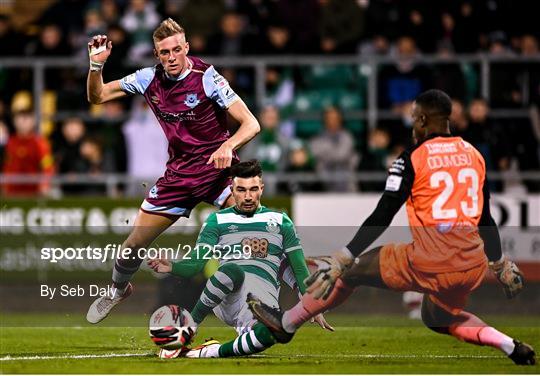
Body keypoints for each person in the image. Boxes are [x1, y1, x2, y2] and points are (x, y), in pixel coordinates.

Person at [248, 90, 536, 366]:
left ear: (423, 119)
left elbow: (384, 213)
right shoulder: (474, 155)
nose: (413, 125)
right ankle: (507, 344)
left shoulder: (413, 157)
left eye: (414, 118)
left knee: (351, 270)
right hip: (471, 266)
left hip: (430, 261)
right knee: (438, 317)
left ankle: (286, 324)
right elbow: (485, 218)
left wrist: (345, 255)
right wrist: (499, 264)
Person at [86, 18, 260, 324]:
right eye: (164, 52)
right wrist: (96, 67)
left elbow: (251, 124)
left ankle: (261, 306)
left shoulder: (208, 78)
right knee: (133, 245)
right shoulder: (147, 79)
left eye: (177, 49)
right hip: (178, 175)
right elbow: (97, 96)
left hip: (217, 171)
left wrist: (226, 147)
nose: (171, 57)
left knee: (254, 233)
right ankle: (117, 289)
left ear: (187, 48)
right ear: (157, 55)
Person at [148, 160, 331, 358]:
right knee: (232, 270)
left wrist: (312, 305)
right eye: (241, 190)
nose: (248, 196)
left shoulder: (281, 221)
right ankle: (189, 327)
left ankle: (207, 352)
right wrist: (173, 267)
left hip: (262, 303)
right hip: (228, 296)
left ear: (262, 188)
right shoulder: (217, 220)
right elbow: (196, 263)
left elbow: (299, 268)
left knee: (272, 334)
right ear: (232, 190)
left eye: (253, 189)